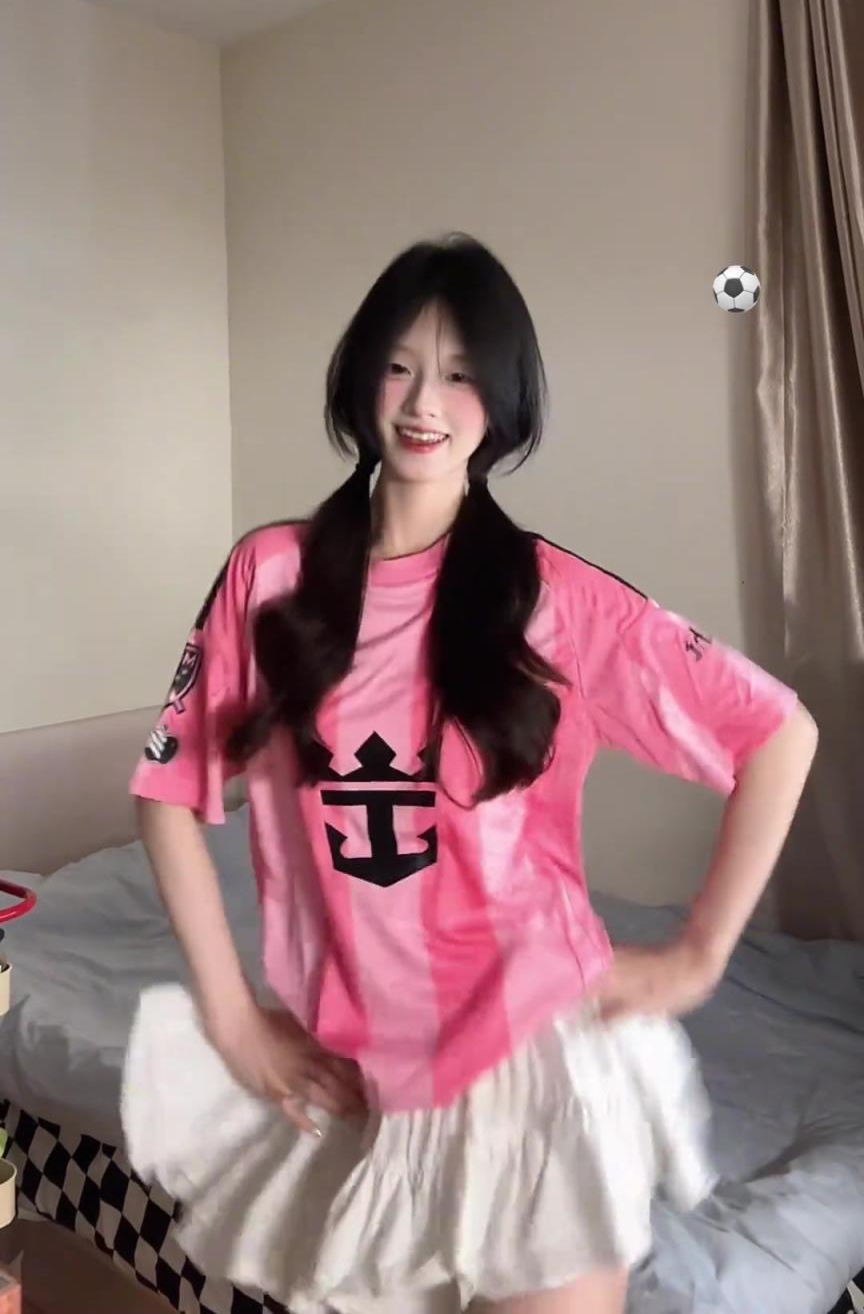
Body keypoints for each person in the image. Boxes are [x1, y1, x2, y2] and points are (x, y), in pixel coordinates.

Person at [124, 234, 818, 1314]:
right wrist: (232, 1016)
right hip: (363, 1073)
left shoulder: (551, 596)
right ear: (361, 378)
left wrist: (697, 955)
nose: (423, 403)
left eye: (459, 373)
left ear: (503, 400)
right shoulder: (272, 575)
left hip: (534, 1069)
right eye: (400, 366)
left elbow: (777, 732)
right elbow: (168, 790)